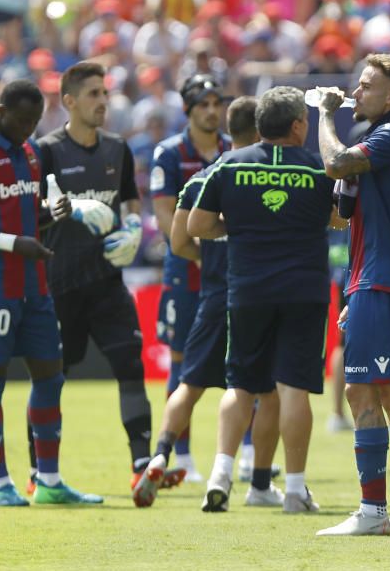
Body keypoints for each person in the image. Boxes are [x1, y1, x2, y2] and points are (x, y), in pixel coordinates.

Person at [0, 79, 101, 506]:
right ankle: (1, 486)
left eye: (36, 121)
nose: (31, 129)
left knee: (51, 376)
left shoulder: (29, 153)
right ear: (2, 110)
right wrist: (15, 243)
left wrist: (52, 214)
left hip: (35, 283)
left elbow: (27, 218)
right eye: (24, 120)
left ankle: (48, 479)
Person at [190, 86, 343, 514]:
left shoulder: (231, 164)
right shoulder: (319, 169)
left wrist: (238, 227)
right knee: (294, 390)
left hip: (247, 289)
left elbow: (199, 225)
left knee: (241, 385)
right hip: (304, 291)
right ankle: (294, 489)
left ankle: (220, 474)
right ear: (298, 126)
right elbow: (339, 217)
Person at [32, 62, 169, 494]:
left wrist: (131, 229)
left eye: (105, 93)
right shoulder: (47, 150)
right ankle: (40, 472)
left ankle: (142, 463)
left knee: (131, 366)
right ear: (69, 101)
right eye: (93, 94)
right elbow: (32, 212)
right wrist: (66, 208)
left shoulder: (118, 148)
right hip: (61, 283)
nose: (103, 102)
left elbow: (130, 201)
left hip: (109, 282)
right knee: (51, 376)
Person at [313, 54, 390, 536]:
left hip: (380, 277)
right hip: (378, 276)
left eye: (365, 86)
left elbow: (334, 161)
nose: (354, 93)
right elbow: (341, 213)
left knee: (366, 389)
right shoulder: (387, 142)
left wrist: (323, 115)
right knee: (388, 390)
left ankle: (374, 511)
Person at [133, 96, 263, 508]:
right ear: (260, 131)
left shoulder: (204, 176)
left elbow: (178, 241)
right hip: (250, 294)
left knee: (188, 384)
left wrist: (209, 256)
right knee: (253, 387)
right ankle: (248, 470)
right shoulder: (265, 176)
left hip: (209, 294)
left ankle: (161, 454)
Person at [150, 73, 230, 482]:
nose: (212, 111)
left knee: (241, 361)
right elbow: (166, 217)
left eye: (217, 103)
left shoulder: (233, 151)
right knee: (182, 362)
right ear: (188, 110)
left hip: (226, 272)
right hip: (186, 270)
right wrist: (202, 255)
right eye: (203, 104)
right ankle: (181, 455)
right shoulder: (168, 153)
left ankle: (244, 450)